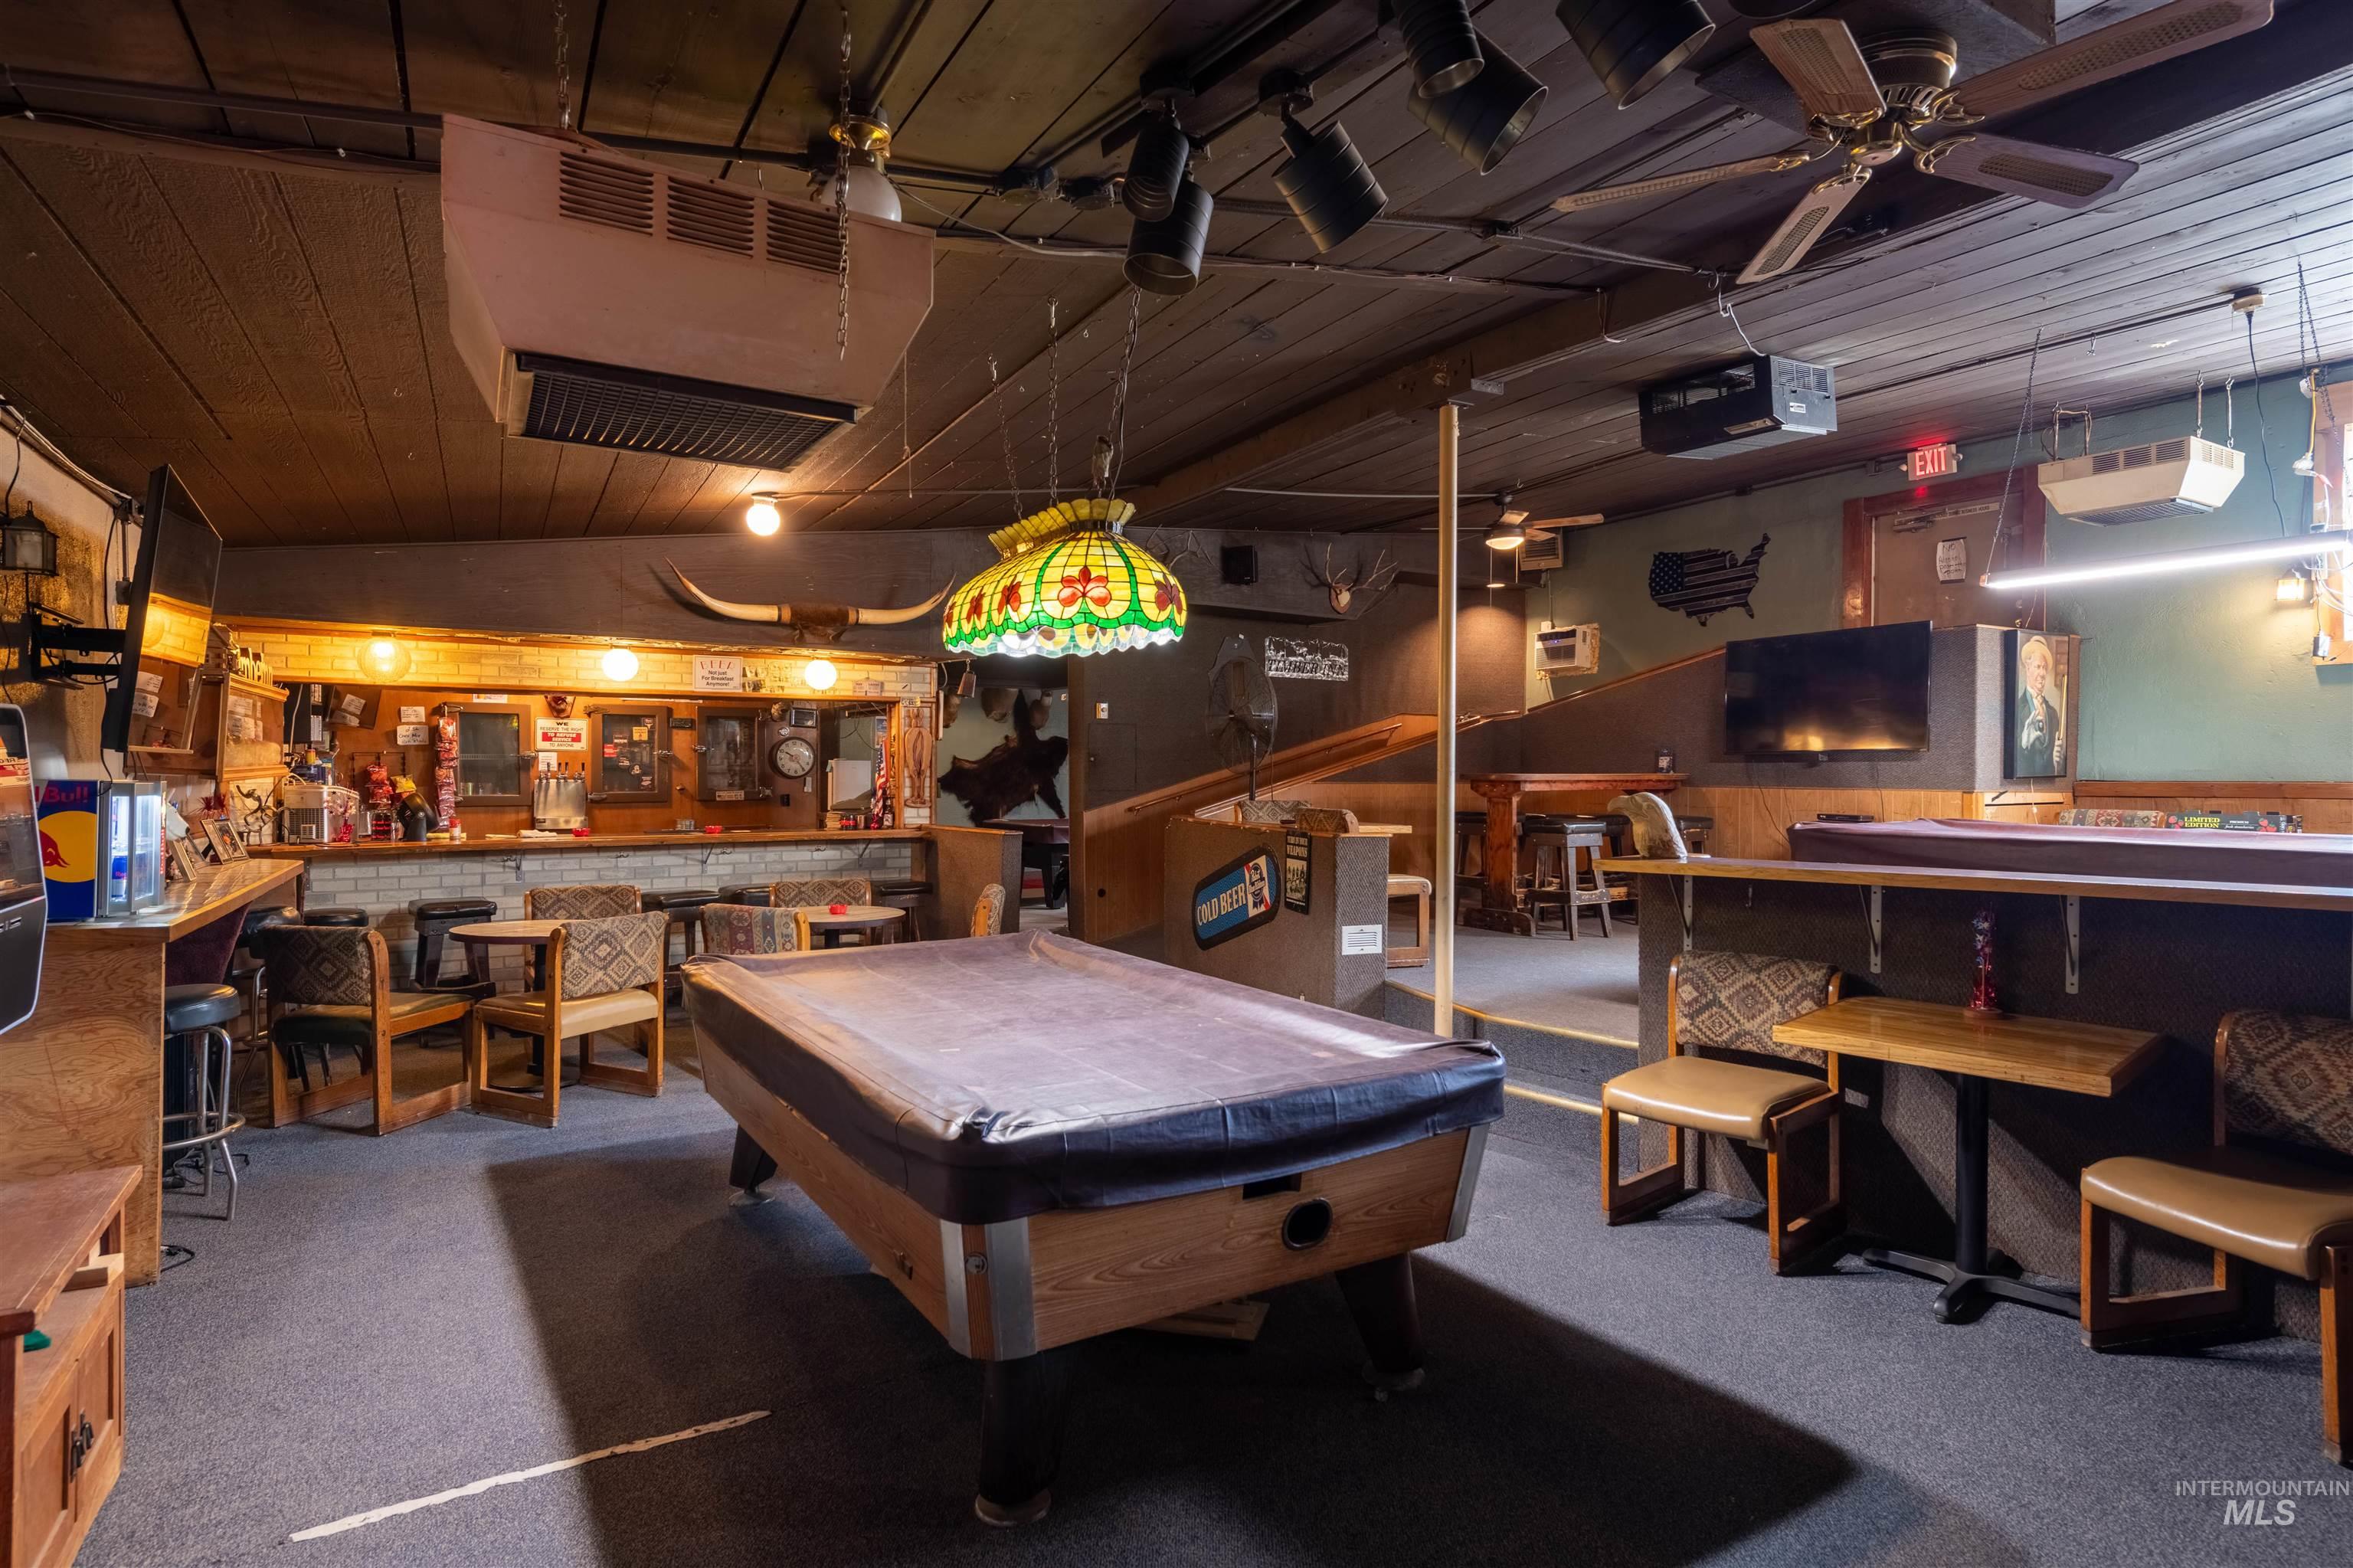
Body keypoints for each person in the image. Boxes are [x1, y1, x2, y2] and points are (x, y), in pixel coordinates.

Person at [2014, 635, 2062, 776]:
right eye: (2038, 667)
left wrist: (2058, 763)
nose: (2042, 673)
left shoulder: (2053, 714)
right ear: (2028, 668)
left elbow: (2059, 765)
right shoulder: (2015, 709)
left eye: (2044, 668)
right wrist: (2023, 743)